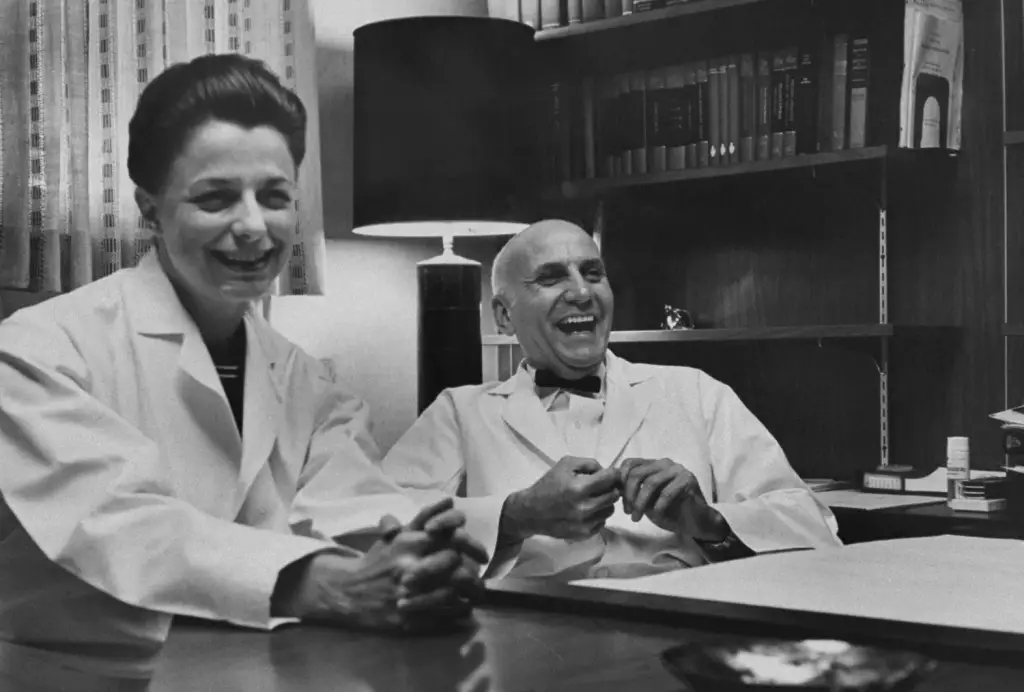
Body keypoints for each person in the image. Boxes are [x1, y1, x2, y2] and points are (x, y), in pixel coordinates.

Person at [0, 54, 486, 654]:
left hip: (265, 673)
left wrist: (413, 556)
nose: (254, 226)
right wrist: (324, 584)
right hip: (79, 681)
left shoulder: (308, 381)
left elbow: (354, 508)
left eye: (275, 196)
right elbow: (118, 525)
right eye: (215, 198)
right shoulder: (39, 351)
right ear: (150, 208)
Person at [383, 219, 841, 580]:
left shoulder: (696, 392)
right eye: (551, 278)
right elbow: (373, 524)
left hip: (682, 622)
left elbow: (814, 525)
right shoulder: (460, 411)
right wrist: (517, 515)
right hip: (527, 634)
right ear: (504, 316)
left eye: (593, 274)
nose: (582, 293)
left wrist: (709, 520)